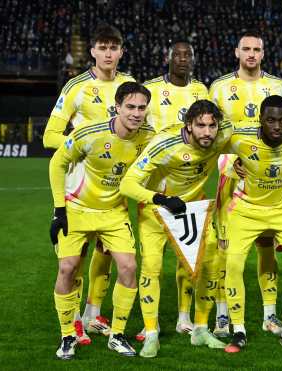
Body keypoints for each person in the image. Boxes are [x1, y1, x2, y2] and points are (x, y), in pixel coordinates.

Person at [43, 24, 135, 344]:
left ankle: (92, 314)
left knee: (108, 248)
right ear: (92, 51)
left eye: (114, 47)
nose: (108, 53)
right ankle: (75, 321)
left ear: (121, 51)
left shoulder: (130, 85)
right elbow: (50, 135)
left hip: (116, 180)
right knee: (77, 253)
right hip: (81, 179)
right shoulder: (76, 86)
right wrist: (82, 144)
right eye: (102, 47)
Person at [49, 82, 154, 359]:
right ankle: (67, 336)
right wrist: (59, 210)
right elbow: (58, 163)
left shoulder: (148, 137)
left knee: (129, 267)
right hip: (77, 208)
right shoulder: (89, 133)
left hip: (114, 212)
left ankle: (117, 335)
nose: (136, 113)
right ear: (117, 107)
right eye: (130, 107)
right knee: (68, 269)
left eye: (141, 107)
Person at [120, 100, 233, 357]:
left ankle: (201, 329)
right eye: (200, 126)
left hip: (192, 211)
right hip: (157, 211)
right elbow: (127, 185)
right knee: (152, 267)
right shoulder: (164, 144)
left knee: (211, 264)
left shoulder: (222, 134)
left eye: (212, 126)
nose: (207, 132)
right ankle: (151, 334)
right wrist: (160, 199)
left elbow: (249, 130)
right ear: (189, 126)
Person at [209, 30, 282, 337]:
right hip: (231, 176)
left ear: (263, 53)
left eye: (257, 48)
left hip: (267, 180)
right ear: (236, 52)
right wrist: (229, 163)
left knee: (266, 247)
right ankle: (221, 314)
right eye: (247, 48)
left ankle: (270, 314)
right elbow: (210, 134)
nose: (252, 54)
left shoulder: (276, 86)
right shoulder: (219, 87)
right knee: (225, 248)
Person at [134, 40, 209, 342]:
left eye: (187, 55)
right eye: (176, 54)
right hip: (155, 189)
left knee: (188, 260)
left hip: (189, 191)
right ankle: (148, 323)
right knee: (151, 262)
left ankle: (183, 317)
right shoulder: (149, 90)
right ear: (167, 58)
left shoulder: (201, 91)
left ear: (193, 60)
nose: (182, 59)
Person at [223, 95, 282, 353]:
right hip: (246, 210)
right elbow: (209, 142)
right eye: (270, 120)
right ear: (260, 119)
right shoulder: (240, 136)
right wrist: (231, 164)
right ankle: (238, 330)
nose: (276, 126)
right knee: (234, 264)